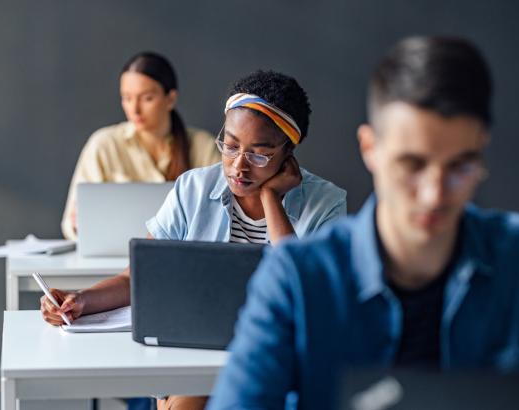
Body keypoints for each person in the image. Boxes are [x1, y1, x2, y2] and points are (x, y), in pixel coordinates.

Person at [208, 36, 519, 410]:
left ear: (481, 147)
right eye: (412, 165)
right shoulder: (297, 278)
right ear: (370, 149)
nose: (433, 194)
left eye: (460, 166)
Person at [42, 70, 347, 409]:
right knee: (197, 389)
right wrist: (81, 301)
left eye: (259, 154)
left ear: (289, 152)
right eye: (230, 146)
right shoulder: (193, 189)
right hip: (196, 353)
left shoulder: (327, 204)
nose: (238, 167)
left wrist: (272, 200)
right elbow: (139, 279)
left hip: (277, 355)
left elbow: (305, 291)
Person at [61, 51, 220, 240]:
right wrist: (79, 225)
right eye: (127, 98)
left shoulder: (203, 146)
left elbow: (224, 212)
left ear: (170, 98)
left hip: (185, 258)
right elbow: (69, 226)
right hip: (113, 257)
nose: (134, 109)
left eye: (147, 98)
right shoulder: (103, 145)